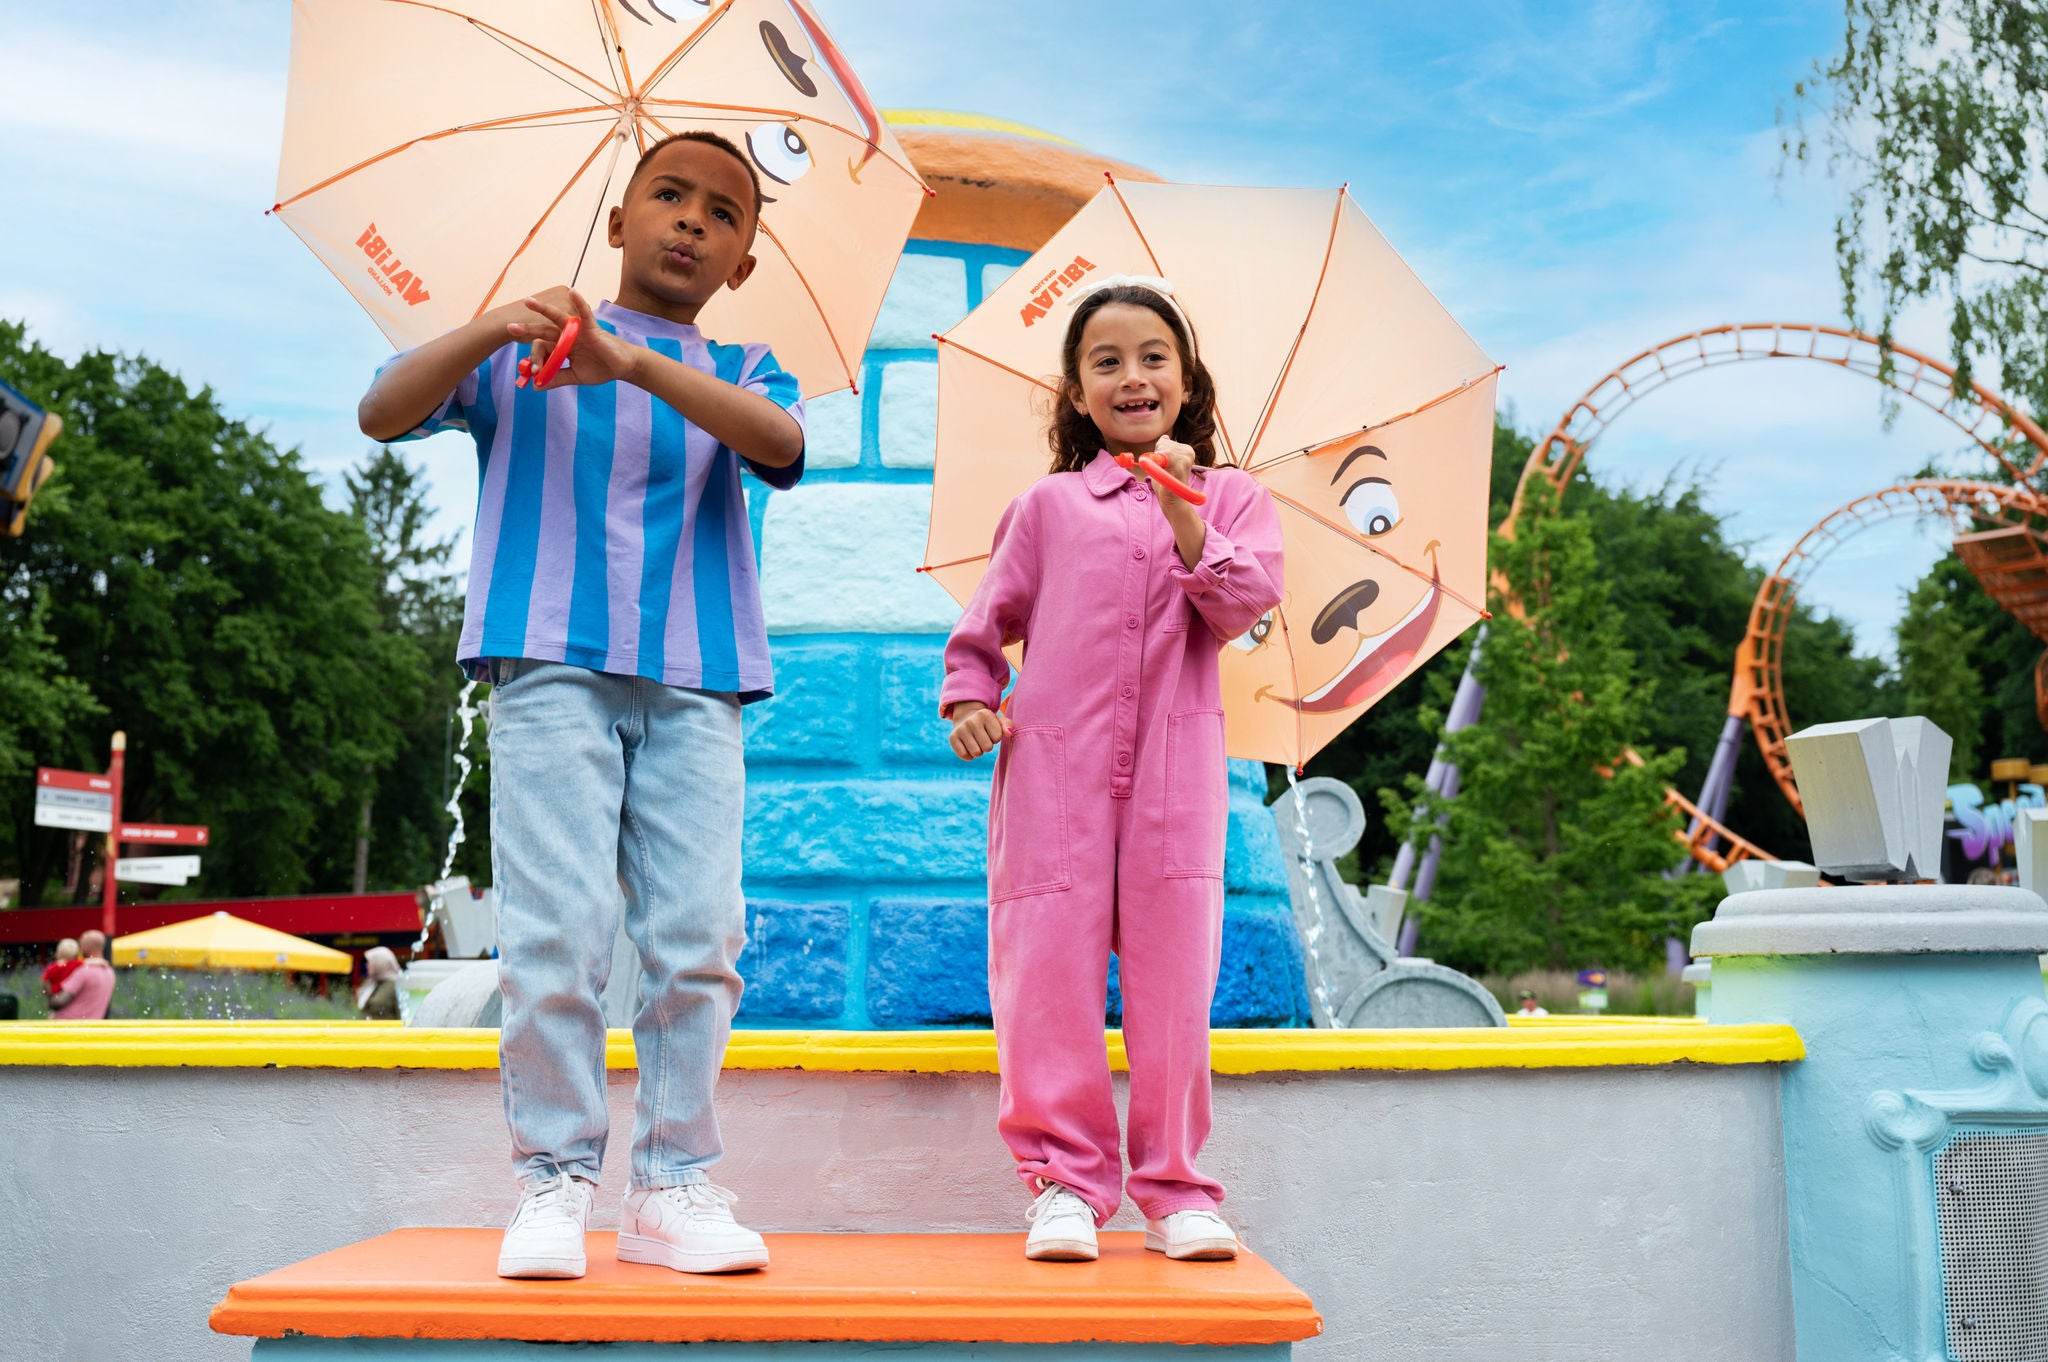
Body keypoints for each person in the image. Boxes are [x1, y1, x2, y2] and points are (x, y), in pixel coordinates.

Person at [358, 131, 805, 1282]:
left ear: (742, 262)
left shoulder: (742, 368)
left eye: (722, 212)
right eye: (668, 195)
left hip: (697, 681)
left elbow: (783, 449)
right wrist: (499, 327)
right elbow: (380, 410)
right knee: (556, 935)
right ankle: (552, 1184)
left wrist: (635, 364)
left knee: (699, 939)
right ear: (618, 221)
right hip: (546, 665)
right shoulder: (522, 357)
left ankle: (668, 1185)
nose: (691, 220)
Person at [939, 277, 1284, 1263]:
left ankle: (1175, 1189)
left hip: (1177, 784)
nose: (1131, 376)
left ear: (1185, 381)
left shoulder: (1232, 501)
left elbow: (1238, 607)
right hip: (1053, 779)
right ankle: (1061, 1184)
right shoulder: (1045, 508)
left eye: (1151, 358)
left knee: (1177, 986)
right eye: (1106, 362)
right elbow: (983, 629)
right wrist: (970, 702)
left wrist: (1183, 511)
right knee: (1045, 977)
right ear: (1077, 393)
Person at [50, 931, 115, 1020]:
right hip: (91, 1027)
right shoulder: (109, 971)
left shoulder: (83, 971)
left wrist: (50, 996)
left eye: (81, 945)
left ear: (86, 947)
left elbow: (58, 1002)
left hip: (67, 1027)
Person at [355, 946, 403, 1020]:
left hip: (388, 1030)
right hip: (370, 1030)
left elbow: (402, 1016)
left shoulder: (395, 985)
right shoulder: (372, 983)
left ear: (380, 962)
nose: (367, 965)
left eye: (370, 962)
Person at [42, 938, 82, 1004]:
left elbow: (45, 983)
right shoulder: (78, 965)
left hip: (57, 997)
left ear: (58, 952)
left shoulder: (53, 967)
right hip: (73, 997)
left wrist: (50, 995)